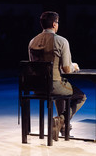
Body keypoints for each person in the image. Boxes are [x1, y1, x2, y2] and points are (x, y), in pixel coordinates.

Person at [28, 11, 86, 141]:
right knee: (81, 96)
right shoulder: (61, 41)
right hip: (53, 85)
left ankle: (63, 128)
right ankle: (61, 120)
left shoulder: (32, 41)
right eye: (57, 22)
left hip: (36, 86)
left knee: (61, 93)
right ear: (54, 24)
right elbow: (66, 69)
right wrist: (74, 66)